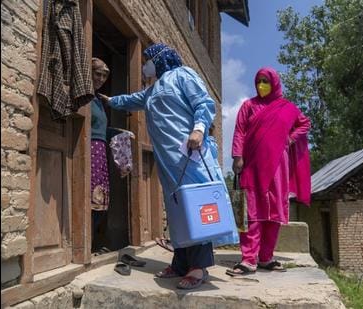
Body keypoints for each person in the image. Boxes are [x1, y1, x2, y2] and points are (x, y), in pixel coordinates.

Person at [98, 43, 237, 289]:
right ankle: (181, 262)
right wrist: (109, 100)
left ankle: (198, 267)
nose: (144, 65)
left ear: (160, 59)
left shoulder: (183, 75)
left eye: (147, 59)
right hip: (168, 162)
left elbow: (204, 104)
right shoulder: (152, 90)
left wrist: (199, 129)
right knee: (177, 211)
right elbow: (131, 100)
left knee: (195, 207)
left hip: (189, 155)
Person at [226, 67, 311, 276]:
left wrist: (290, 138)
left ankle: (266, 257)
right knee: (251, 213)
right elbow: (240, 131)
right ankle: (248, 259)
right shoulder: (249, 106)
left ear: (275, 83)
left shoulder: (288, 108)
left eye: (265, 81)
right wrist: (237, 156)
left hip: (278, 168)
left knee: (273, 213)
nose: (261, 85)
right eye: (258, 81)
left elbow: (305, 124)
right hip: (252, 165)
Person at [90, 57, 111, 251]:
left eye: (105, 75)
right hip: (90, 150)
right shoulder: (86, 96)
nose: (101, 78)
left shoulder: (98, 99)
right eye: (98, 74)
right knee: (90, 196)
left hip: (100, 150)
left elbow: (102, 129)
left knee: (100, 199)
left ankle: (91, 243)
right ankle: (85, 245)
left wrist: (119, 133)